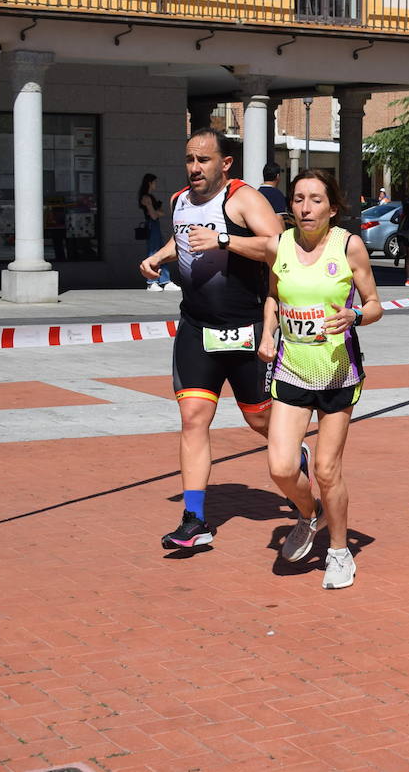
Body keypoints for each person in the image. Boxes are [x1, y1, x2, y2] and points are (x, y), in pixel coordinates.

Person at [139, 129, 285, 551]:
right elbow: (180, 239)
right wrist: (158, 257)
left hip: (245, 329)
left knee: (259, 419)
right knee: (193, 420)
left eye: (203, 160)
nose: (194, 168)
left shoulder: (243, 198)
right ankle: (194, 518)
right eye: (189, 159)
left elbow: (279, 246)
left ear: (225, 164)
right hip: (197, 328)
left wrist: (224, 238)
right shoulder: (179, 201)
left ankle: (296, 459)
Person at [242, 169, 383, 589]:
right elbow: (274, 294)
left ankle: (339, 552)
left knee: (326, 468)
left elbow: (375, 304)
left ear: (332, 208)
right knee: (282, 469)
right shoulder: (281, 245)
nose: (306, 207)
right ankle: (308, 514)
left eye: (316, 199)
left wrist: (355, 315)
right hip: (291, 369)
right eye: (299, 199)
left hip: (338, 371)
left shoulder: (349, 246)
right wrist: (267, 332)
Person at [138, 173, 174, 291]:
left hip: (154, 224)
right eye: (154, 182)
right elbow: (154, 215)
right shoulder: (146, 197)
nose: (155, 185)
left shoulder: (150, 197)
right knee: (154, 251)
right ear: (150, 183)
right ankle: (151, 281)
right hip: (152, 225)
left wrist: (157, 212)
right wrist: (156, 212)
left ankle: (164, 280)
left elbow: (160, 213)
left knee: (160, 251)